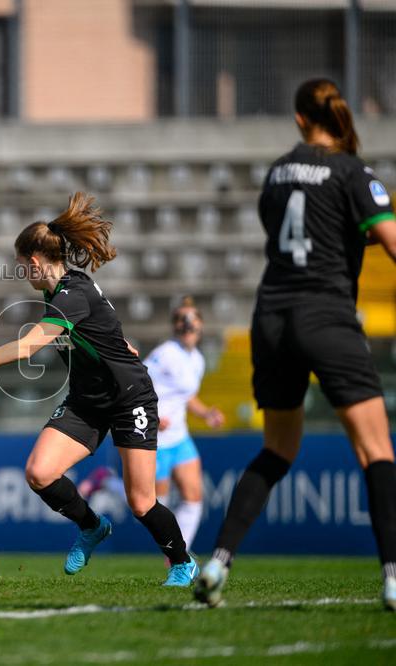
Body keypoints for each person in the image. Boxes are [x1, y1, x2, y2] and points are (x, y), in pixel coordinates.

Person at [194, 79, 396, 609]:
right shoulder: (353, 171)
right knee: (376, 449)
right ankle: (394, 576)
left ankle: (217, 563)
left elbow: (286, 231)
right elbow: (388, 241)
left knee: (277, 448)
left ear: (300, 119)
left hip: (272, 318)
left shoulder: (278, 171)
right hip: (325, 313)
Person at [0, 192, 197, 586]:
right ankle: (91, 526)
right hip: (88, 400)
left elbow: (28, 345)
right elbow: (103, 332)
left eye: (22, 266)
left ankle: (182, 562)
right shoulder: (60, 293)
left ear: (34, 261)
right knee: (39, 472)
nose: (23, 273)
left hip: (129, 399)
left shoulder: (72, 294)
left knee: (141, 501)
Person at [143, 297, 225, 554]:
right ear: (175, 326)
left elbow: (186, 395)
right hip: (155, 440)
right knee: (156, 504)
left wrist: (206, 413)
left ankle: (179, 555)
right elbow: (138, 384)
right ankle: (108, 482)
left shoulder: (197, 360)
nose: (187, 324)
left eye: (192, 319)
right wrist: (153, 416)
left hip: (180, 438)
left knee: (193, 498)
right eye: (181, 319)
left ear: (200, 325)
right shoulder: (165, 354)